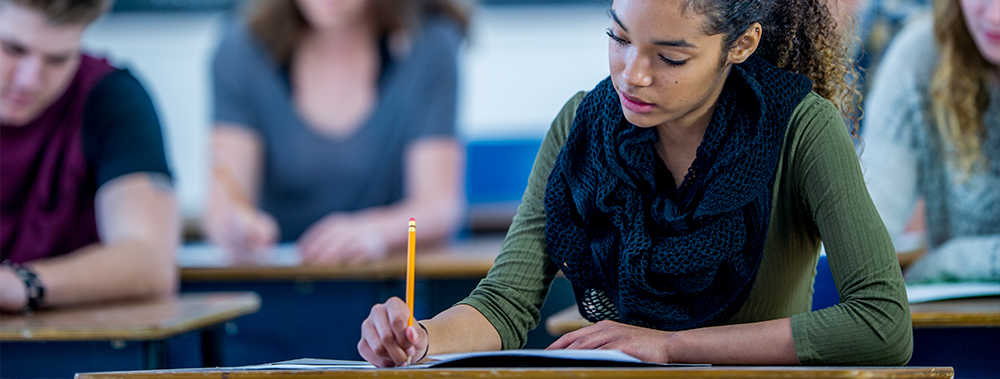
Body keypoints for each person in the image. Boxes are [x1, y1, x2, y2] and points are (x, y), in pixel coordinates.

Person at [359, 0, 914, 367]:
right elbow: (505, 304)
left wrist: (671, 347)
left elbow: (882, 324)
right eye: (618, 39)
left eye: (670, 56)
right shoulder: (580, 125)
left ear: (740, 45)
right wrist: (421, 338)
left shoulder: (799, 126)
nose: (633, 74)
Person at [203, 0, 467, 264]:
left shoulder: (429, 45)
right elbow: (224, 210)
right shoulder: (240, 48)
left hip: (383, 283)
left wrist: (375, 231)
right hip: (273, 288)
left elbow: (439, 207)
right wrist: (234, 228)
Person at [0, 0, 179, 313]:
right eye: (13, 49)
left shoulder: (112, 99)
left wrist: (23, 285)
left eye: (57, 59)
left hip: (64, 349)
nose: (28, 80)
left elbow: (150, 261)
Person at [862, 0, 1000, 284]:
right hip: (959, 318)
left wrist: (949, 262)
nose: (995, 15)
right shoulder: (919, 57)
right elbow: (865, 232)